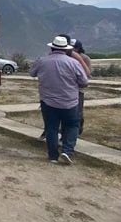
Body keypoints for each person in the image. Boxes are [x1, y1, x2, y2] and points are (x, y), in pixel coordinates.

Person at [30, 36, 89, 164]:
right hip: (69, 101)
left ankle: (53, 156)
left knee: (51, 127)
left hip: (48, 101)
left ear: (51, 47)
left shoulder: (42, 61)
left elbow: (32, 73)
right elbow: (84, 82)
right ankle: (67, 151)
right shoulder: (74, 63)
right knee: (73, 125)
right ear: (66, 49)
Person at [71, 39, 91, 135]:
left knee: (78, 110)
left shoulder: (85, 58)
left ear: (78, 48)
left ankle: (78, 129)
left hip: (79, 87)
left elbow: (87, 73)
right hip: (69, 87)